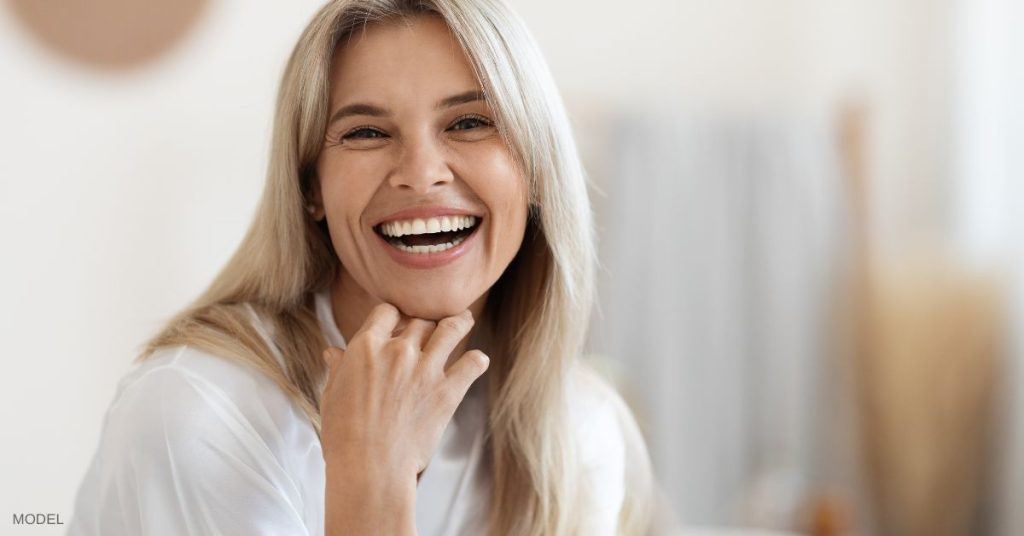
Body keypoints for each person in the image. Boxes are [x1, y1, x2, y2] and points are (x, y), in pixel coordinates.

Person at [67, 0, 654, 534]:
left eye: (470, 122)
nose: (421, 173)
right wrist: (370, 484)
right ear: (310, 189)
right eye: (366, 132)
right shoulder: (198, 417)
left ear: (535, 169)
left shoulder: (577, 433)